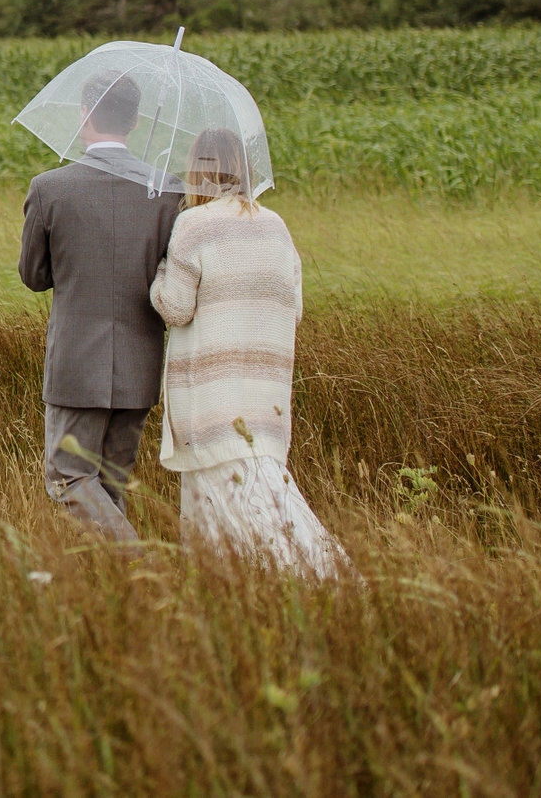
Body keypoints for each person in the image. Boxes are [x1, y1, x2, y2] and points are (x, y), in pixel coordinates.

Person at [149, 126, 349, 577]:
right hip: (266, 400)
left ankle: (328, 583)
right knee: (258, 504)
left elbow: (176, 308)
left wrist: (161, 270)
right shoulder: (276, 226)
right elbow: (293, 308)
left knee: (241, 516)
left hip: (212, 403)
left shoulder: (193, 225)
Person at [18, 70, 180, 542]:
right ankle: (124, 594)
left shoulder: (50, 187)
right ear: (132, 123)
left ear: (85, 115)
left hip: (75, 362)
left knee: (67, 477)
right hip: (140, 359)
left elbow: (34, 277)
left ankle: (141, 560)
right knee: (110, 484)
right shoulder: (165, 190)